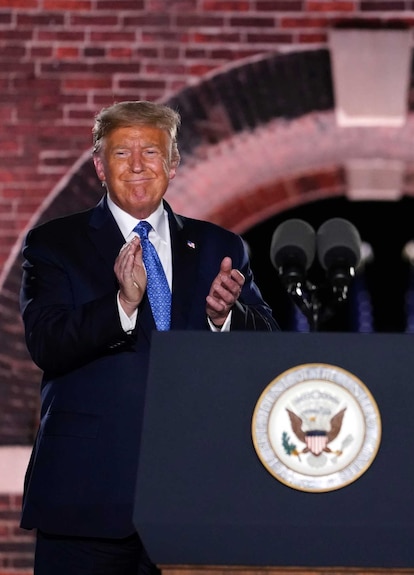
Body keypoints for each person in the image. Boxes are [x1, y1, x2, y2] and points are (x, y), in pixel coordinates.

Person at [19, 100, 280, 574]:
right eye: (121, 153)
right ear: (99, 165)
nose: (138, 165)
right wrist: (122, 305)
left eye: (152, 152)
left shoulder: (221, 247)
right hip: (87, 500)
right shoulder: (54, 244)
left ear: (174, 163)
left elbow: (270, 350)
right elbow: (47, 342)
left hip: (196, 501)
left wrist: (225, 317)